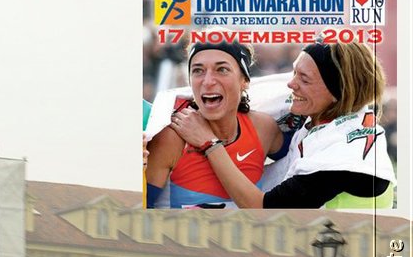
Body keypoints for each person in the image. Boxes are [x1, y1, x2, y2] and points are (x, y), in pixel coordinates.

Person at [172, 42, 394, 209]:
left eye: (304, 79)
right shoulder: (323, 111)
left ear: (339, 93)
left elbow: (260, 208)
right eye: (294, 71)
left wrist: (209, 144)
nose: (291, 83)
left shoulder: (341, 158)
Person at [146, 42, 281, 207]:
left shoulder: (263, 128)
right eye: (198, 71)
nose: (208, 81)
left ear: (244, 80)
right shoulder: (172, 137)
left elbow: (301, 158)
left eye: (222, 69)